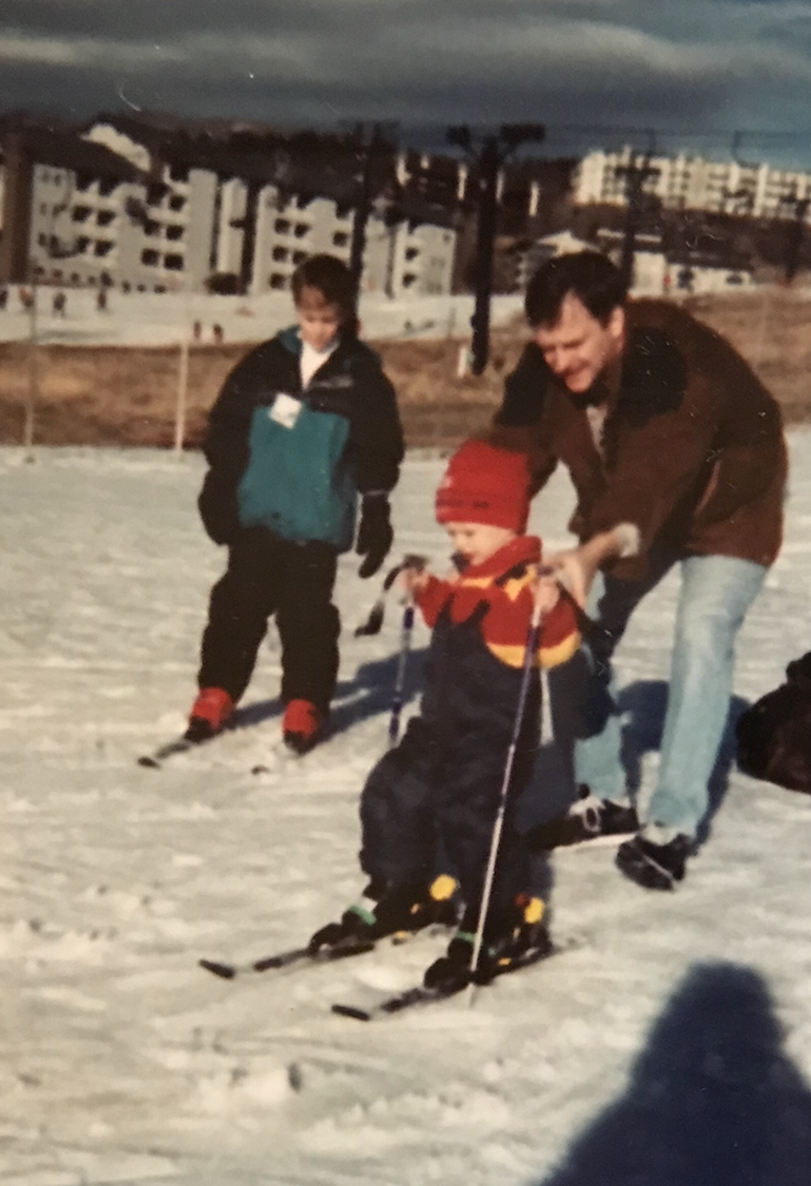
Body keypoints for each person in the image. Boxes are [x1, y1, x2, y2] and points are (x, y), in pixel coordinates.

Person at [492, 251, 788, 891]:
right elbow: (509, 455)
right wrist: (480, 534)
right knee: (567, 628)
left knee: (701, 634)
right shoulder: (549, 368)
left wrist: (587, 554)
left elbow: (646, 486)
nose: (560, 361)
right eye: (548, 348)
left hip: (727, 511)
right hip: (628, 508)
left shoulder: (673, 366)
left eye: (574, 343)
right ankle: (605, 796)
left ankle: (672, 825)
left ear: (616, 322)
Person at [308, 440, 578, 990]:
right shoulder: (466, 582)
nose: (459, 543)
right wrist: (426, 589)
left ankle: (500, 916)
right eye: (452, 534)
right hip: (439, 727)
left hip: (492, 739)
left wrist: (554, 609)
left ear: (507, 525)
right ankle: (399, 888)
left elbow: (558, 646)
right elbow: (450, 617)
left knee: (470, 814)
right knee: (392, 790)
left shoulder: (527, 586)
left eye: (469, 533)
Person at [186, 254, 402, 752]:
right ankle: (218, 690)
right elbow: (228, 425)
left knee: (306, 618)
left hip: (316, 520)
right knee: (237, 605)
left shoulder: (363, 377)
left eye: (329, 320)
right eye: (309, 317)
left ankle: (306, 700)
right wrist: (219, 484)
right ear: (295, 310)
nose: (318, 329)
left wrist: (377, 508)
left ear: (347, 315)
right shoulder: (266, 361)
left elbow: (379, 449)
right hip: (258, 511)